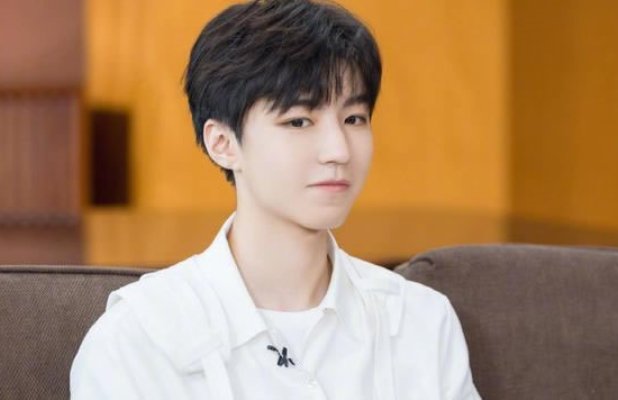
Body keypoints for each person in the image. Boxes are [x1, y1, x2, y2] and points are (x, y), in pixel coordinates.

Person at [70, 0, 481, 399]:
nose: (338, 150)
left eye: (353, 119)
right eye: (299, 121)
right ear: (223, 143)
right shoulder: (138, 339)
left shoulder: (420, 322)